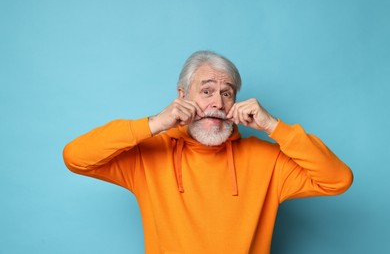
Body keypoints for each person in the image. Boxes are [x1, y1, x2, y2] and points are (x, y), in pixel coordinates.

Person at [63, 50, 353, 254]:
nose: (217, 102)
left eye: (227, 93)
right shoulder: (148, 157)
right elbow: (76, 157)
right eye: (206, 91)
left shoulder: (268, 160)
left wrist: (274, 126)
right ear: (182, 96)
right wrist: (154, 124)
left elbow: (338, 179)